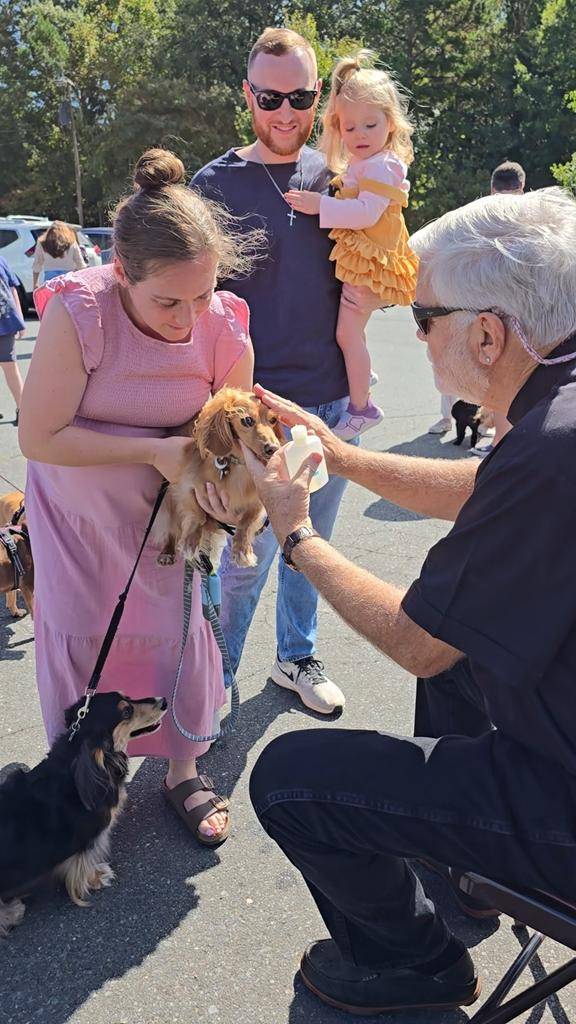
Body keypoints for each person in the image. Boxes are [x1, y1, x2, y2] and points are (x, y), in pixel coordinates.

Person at [245, 186, 576, 1013]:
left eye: (423, 318)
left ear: (488, 334)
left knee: (289, 778)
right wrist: (344, 458)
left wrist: (296, 534)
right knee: (466, 651)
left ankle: (413, 962)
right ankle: (467, 878)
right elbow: (485, 486)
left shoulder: (547, 452)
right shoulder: (556, 412)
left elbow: (418, 640)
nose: (417, 335)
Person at [19, 148, 260, 846]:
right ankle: (81, 776)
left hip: (169, 516)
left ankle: (183, 769)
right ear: (121, 272)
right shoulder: (82, 310)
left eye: (202, 296)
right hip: (80, 514)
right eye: (167, 301)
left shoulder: (225, 319)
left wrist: (223, 492)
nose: (188, 320)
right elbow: (41, 436)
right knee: (83, 636)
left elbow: (232, 433)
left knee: (174, 633)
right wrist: (152, 451)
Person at [191, 27, 350, 715]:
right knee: (239, 563)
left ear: (319, 95)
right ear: (248, 95)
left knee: (307, 547)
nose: (286, 112)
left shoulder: (338, 178)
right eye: (269, 97)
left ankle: (296, 657)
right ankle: (211, 686)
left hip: (329, 402)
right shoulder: (213, 184)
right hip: (248, 415)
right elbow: (192, 309)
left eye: (301, 96)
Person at [285, 51, 417, 440]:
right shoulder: (372, 162)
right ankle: (362, 370)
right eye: (350, 127)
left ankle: (362, 407)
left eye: (370, 125)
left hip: (373, 262)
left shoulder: (383, 166)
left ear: (391, 125)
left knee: (347, 334)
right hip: (370, 259)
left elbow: (365, 214)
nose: (359, 136)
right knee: (352, 333)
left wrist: (318, 205)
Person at [469, 160, 526, 457]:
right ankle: (512, 441)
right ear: (522, 187)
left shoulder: (480, 217)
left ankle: (500, 444)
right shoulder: (533, 216)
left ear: (492, 187)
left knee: (498, 378)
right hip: (526, 309)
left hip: (490, 309)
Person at [0, 255, 26, 424]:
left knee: (10, 365)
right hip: (5, 318)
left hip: (5, 319)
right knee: (10, 367)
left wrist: (20, 318)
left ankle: (22, 409)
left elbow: (12, 288)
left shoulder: (1, 259)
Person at [32, 221, 86, 288]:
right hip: (68, 277)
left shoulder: (42, 243)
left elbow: (37, 263)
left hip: (50, 278)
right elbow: (80, 263)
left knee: (52, 298)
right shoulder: (71, 242)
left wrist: (35, 283)